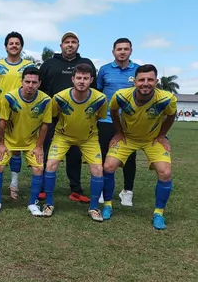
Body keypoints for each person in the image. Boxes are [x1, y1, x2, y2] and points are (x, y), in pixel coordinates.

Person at [100, 64, 177, 231]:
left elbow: (171, 115)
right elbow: (113, 111)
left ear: (156, 81)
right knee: (108, 166)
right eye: (141, 80)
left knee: (165, 172)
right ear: (134, 82)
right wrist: (119, 132)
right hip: (128, 138)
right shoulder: (121, 96)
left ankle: (159, 213)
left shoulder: (166, 99)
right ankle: (107, 205)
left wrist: (162, 135)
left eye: (150, 79)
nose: (145, 83)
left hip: (152, 140)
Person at [43, 63, 107, 220]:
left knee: (98, 170)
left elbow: (100, 116)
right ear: (73, 79)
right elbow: (54, 116)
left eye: (86, 78)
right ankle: (48, 203)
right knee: (50, 165)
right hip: (62, 136)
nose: (82, 81)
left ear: (91, 80)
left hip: (88, 138)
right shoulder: (59, 98)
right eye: (79, 78)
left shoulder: (100, 99)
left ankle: (93, 207)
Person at [39, 31, 96, 203]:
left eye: (73, 42)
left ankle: (76, 189)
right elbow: (41, 89)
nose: (70, 45)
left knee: (75, 154)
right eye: (67, 42)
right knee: (48, 151)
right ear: (61, 45)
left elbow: (95, 89)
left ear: (78, 45)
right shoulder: (50, 64)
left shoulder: (85, 64)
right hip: (52, 116)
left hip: (77, 118)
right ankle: (43, 188)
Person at [0, 66, 52, 216]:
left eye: (34, 82)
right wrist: (0, 144)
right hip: (8, 140)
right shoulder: (9, 98)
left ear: (39, 83)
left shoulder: (46, 100)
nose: (30, 85)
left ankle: (32, 204)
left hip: (31, 141)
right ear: (22, 82)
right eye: (27, 81)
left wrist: (39, 146)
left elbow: (45, 125)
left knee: (38, 168)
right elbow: (2, 122)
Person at [0, 31, 35, 200]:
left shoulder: (28, 66)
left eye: (17, 43)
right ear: (6, 46)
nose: (14, 46)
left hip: (21, 115)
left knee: (16, 151)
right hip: (1, 113)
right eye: (11, 43)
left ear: (21, 46)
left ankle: (14, 184)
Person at [95, 38, 140, 206]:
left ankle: (127, 191)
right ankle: (103, 189)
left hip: (130, 122)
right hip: (106, 120)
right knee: (104, 157)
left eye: (126, 49)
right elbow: (98, 93)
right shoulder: (105, 70)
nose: (122, 52)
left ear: (131, 51)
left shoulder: (137, 70)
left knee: (129, 158)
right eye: (119, 49)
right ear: (113, 51)